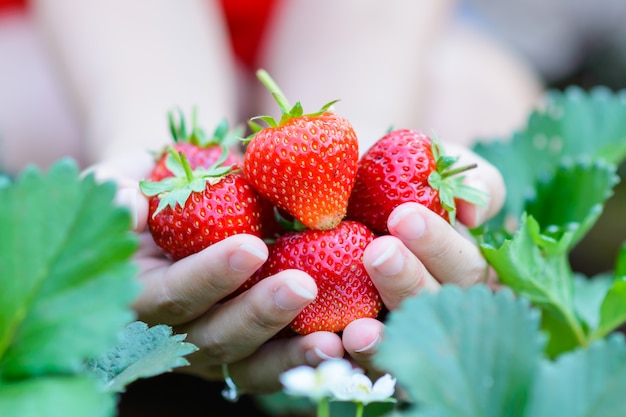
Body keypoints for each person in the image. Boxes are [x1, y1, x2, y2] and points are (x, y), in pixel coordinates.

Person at [0, 0, 539, 413]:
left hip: (359, 29)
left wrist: (361, 132)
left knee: (484, 103)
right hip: (100, 35)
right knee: (29, 119)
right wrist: (158, 143)